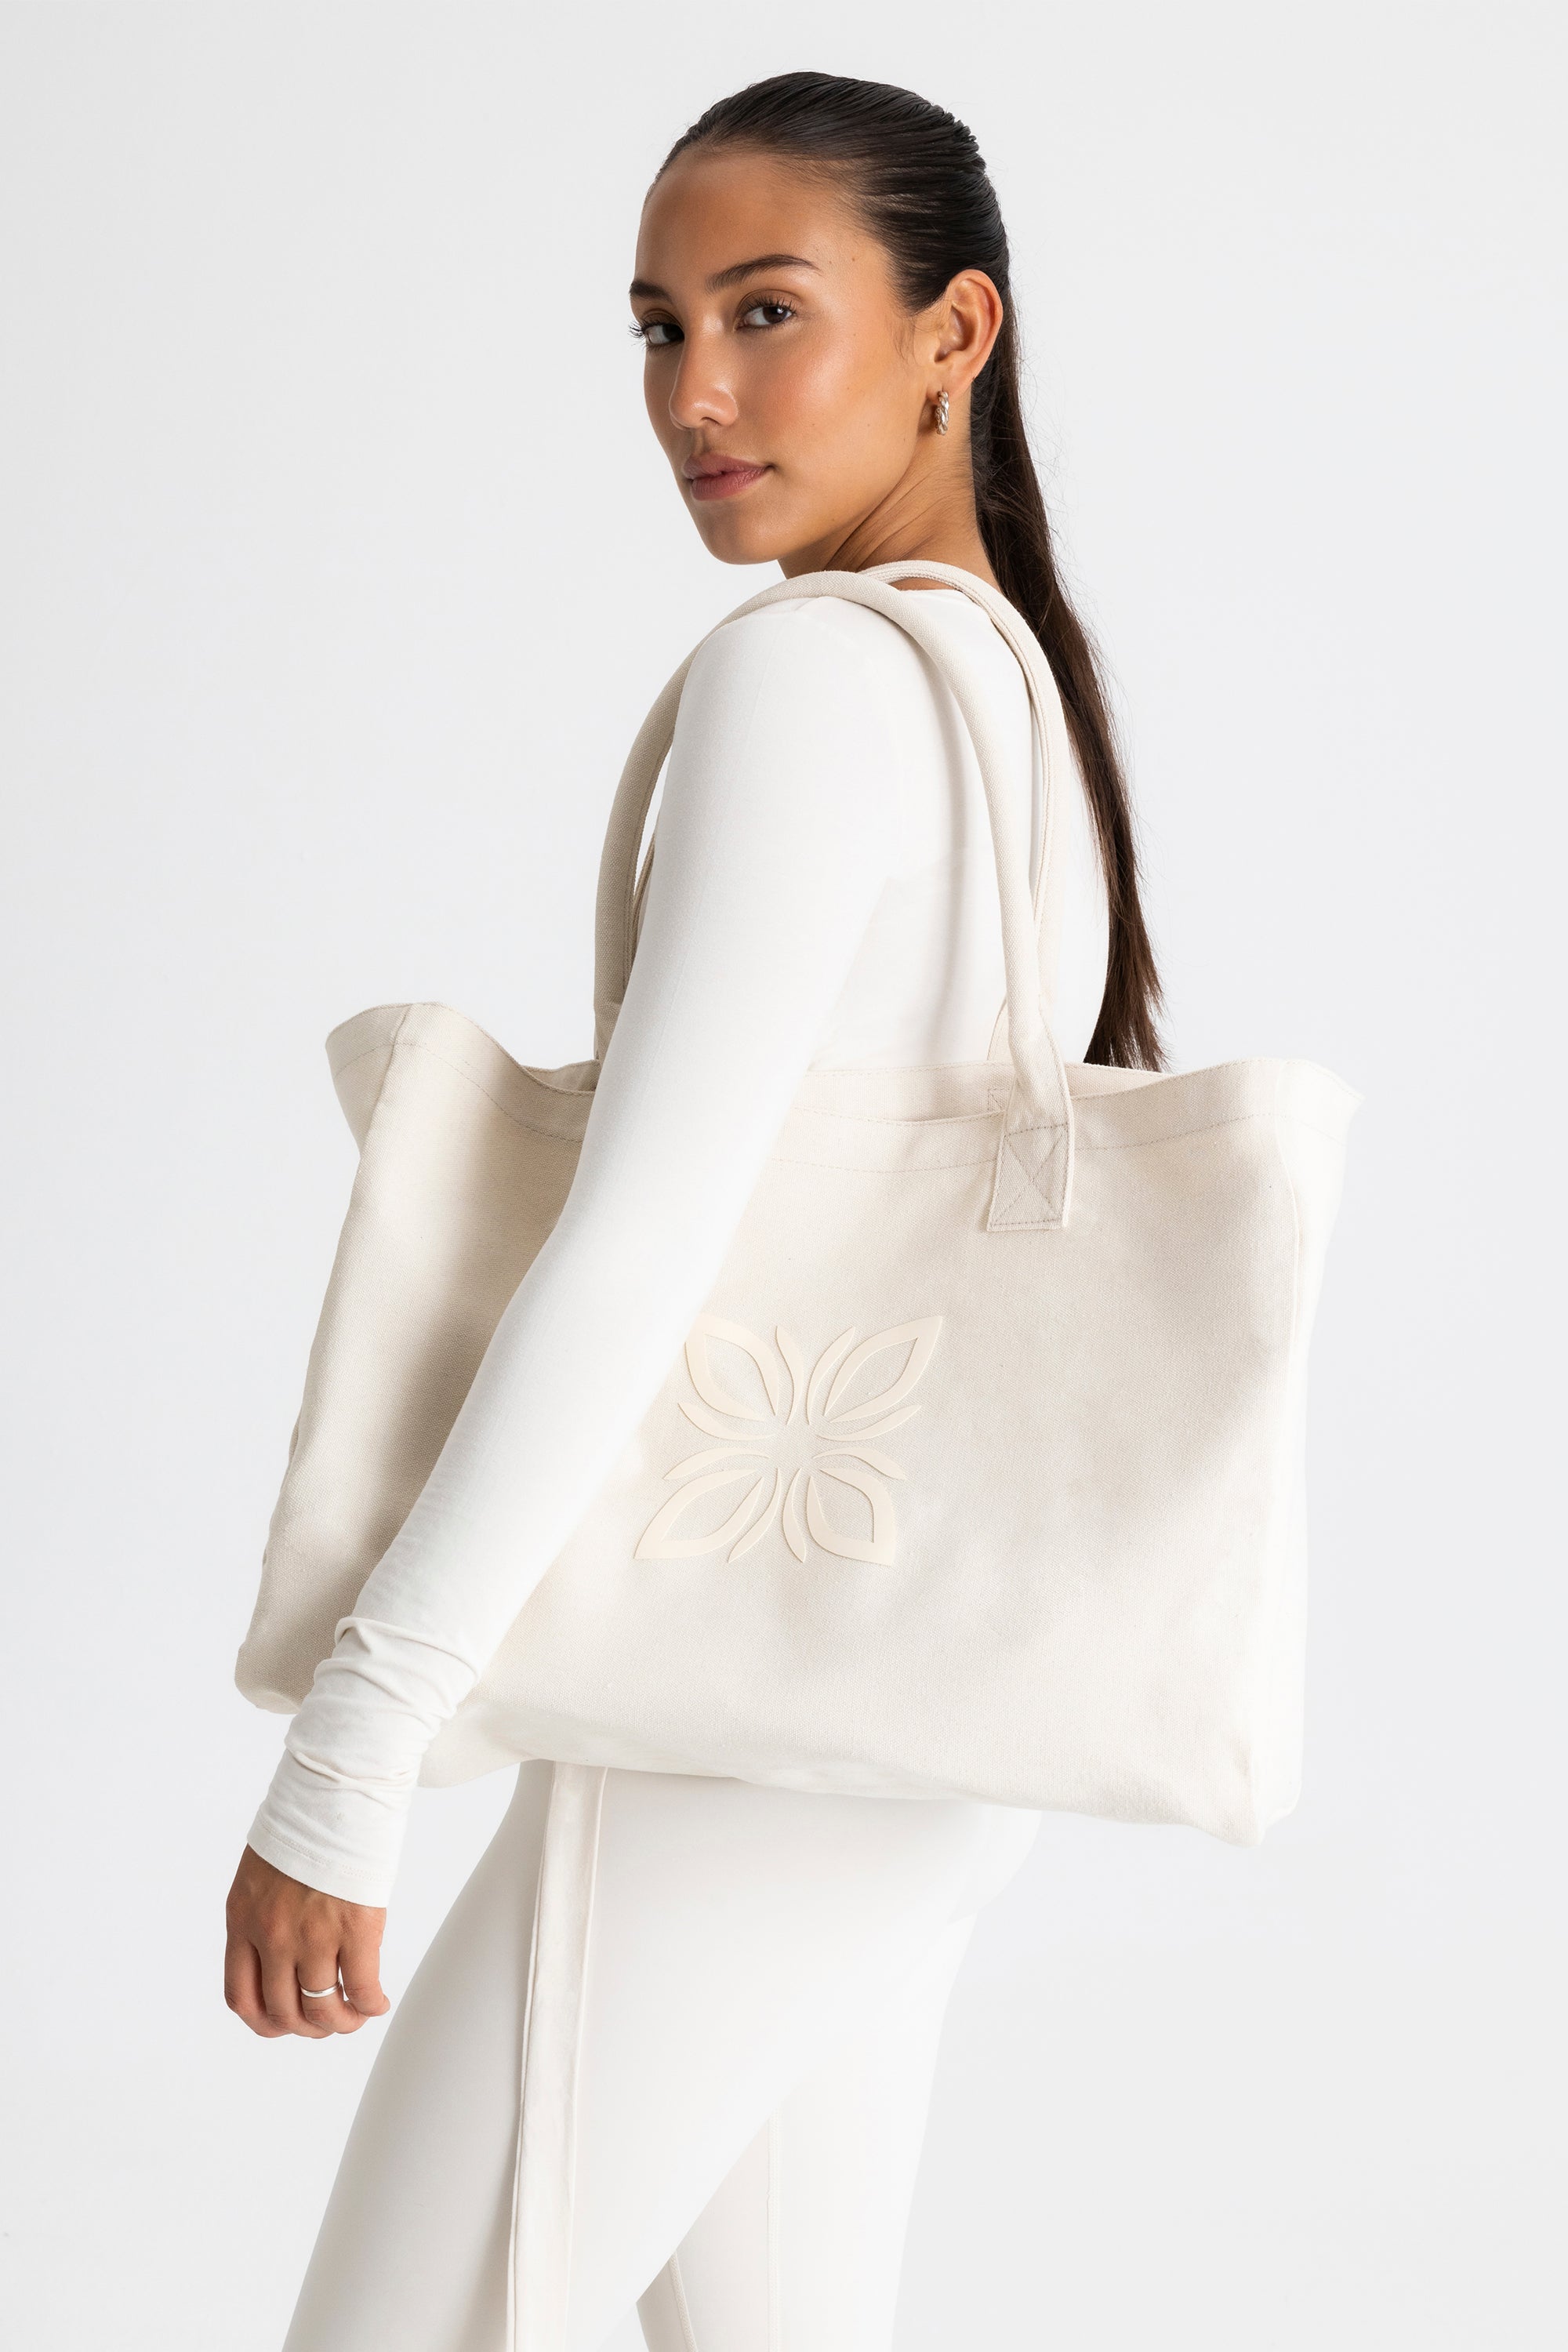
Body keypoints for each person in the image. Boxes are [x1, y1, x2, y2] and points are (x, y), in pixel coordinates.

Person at [224, 71, 1162, 2352]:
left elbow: (638, 1249)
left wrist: (353, 1749)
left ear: (955, 334)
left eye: (764, 313)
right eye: (656, 327)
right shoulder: (1013, 692)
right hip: (910, 1732)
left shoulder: (817, 681)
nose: (692, 396)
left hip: (731, 1750)